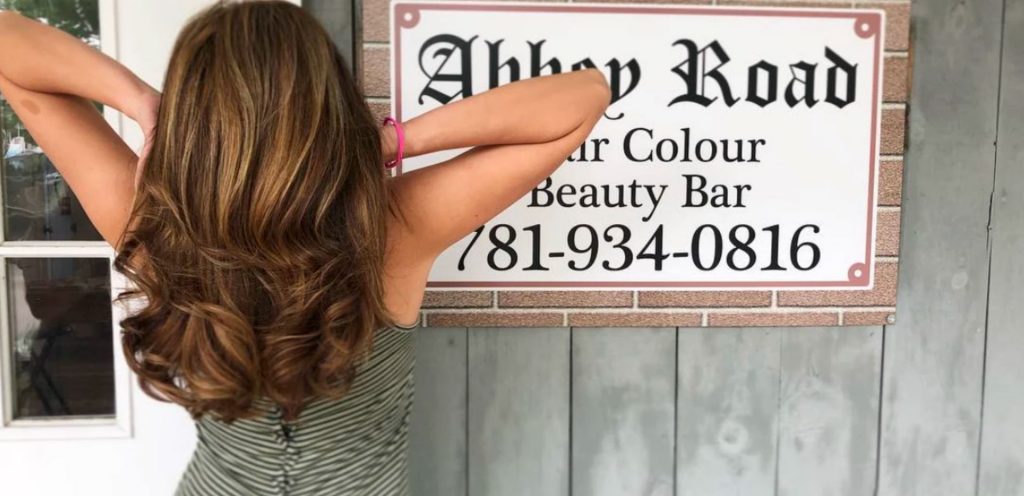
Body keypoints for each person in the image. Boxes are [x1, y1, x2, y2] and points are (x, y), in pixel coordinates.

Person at [0, 1, 610, 494]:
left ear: (195, 120)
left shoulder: (151, 227)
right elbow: (584, 97)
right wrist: (390, 141)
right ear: (328, 103)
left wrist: (147, 106)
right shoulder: (393, 229)